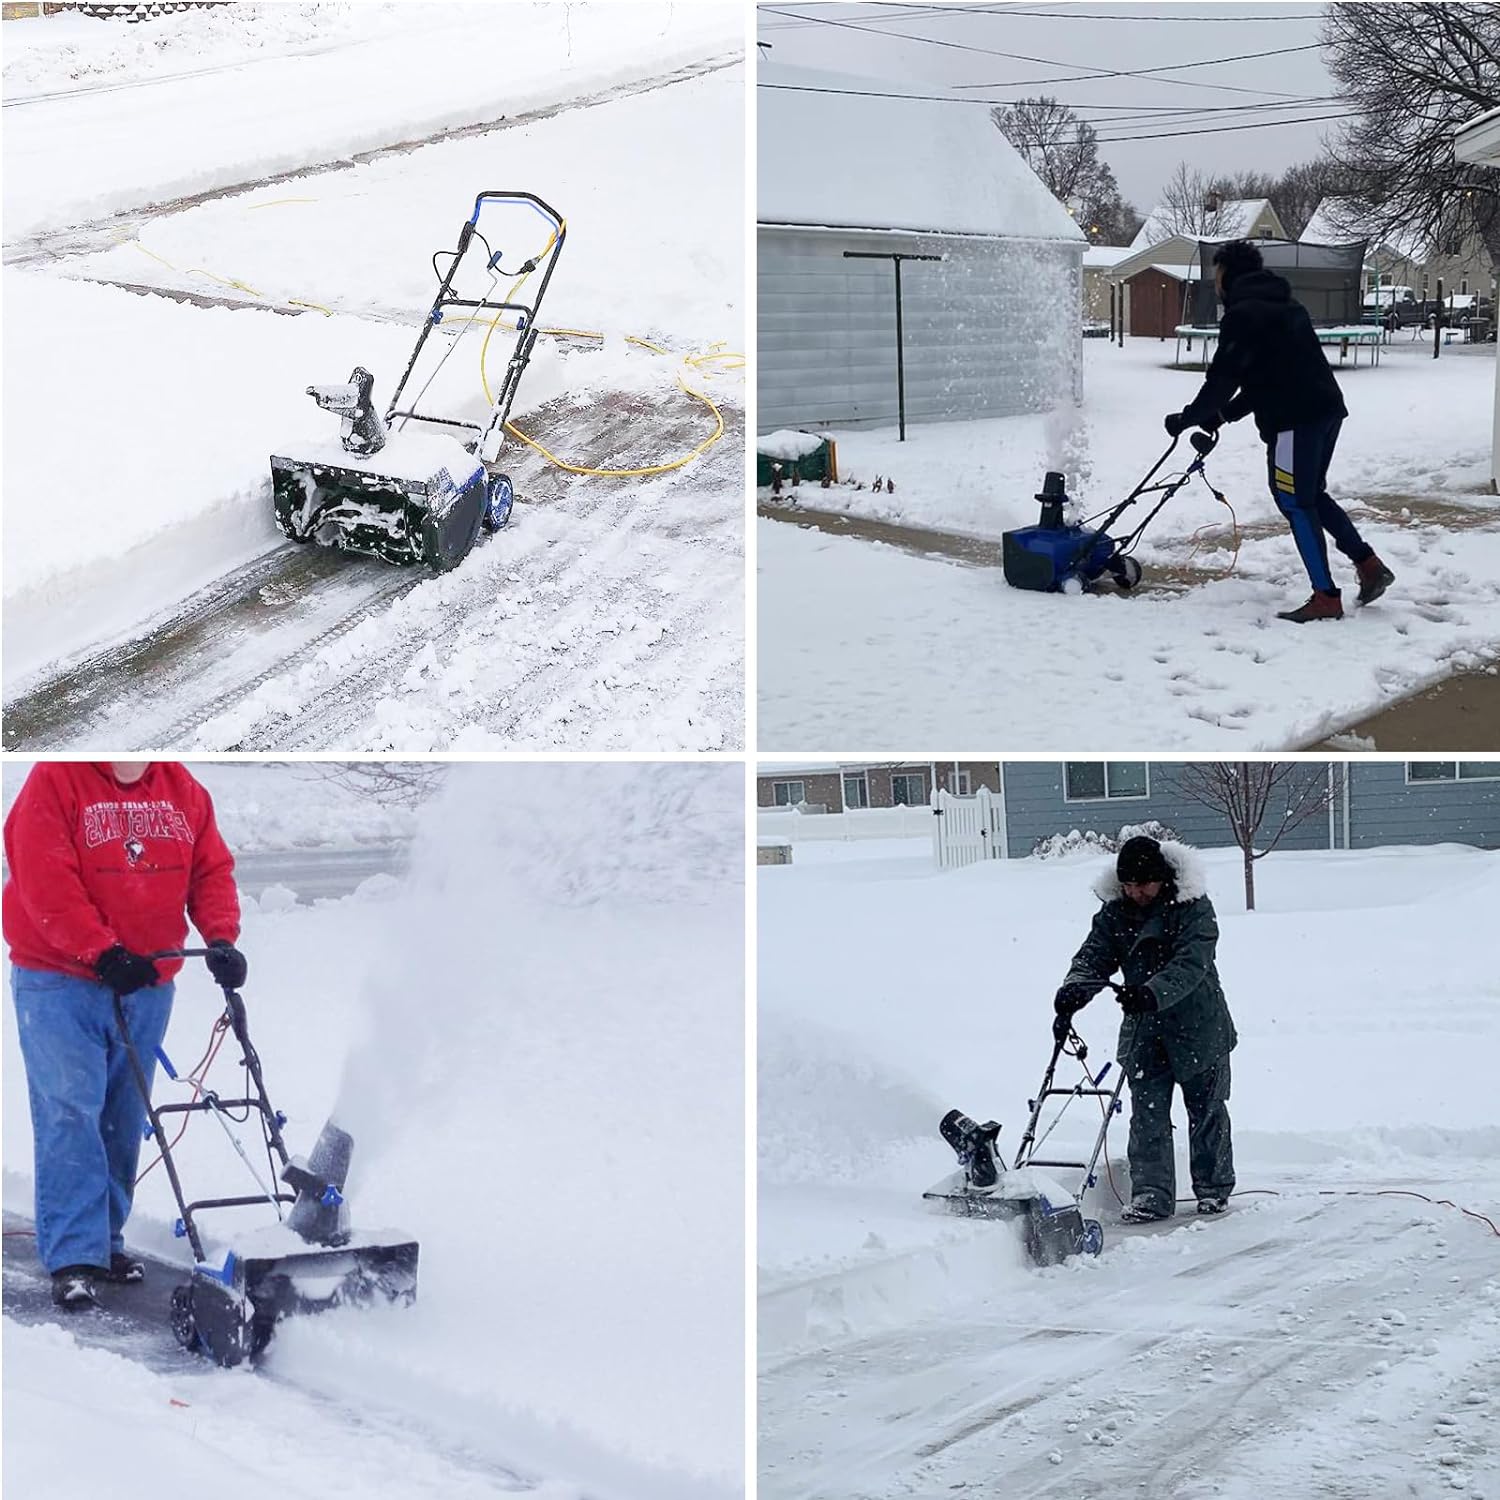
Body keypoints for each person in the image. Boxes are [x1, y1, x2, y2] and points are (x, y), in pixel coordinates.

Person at [3, 762, 246, 1311]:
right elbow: (44, 880)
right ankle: (73, 1256)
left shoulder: (182, 789)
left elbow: (211, 871)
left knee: (124, 1115)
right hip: (58, 979)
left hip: (147, 981)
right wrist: (100, 949)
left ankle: (104, 1243)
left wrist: (221, 938)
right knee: (70, 1111)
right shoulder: (55, 781)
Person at [1164, 238, 1395, 624]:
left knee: (1293, 500)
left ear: (1228, 275)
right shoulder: (1285, 305)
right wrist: (1222, 416)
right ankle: (1368, 565)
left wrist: (1187, 417)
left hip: (1294, 420)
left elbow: (1223, 380)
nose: (1215, 283)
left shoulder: (1243, 315)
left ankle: (1325, 597)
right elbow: (1267, 377)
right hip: (1325, 411)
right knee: (1310, 494)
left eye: (1216, 275)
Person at [1052, 834, 1237, 1223]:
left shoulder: (1193, 908)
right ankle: (1151, 1195)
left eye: (1143, 884)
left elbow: (1192, 963)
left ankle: (1213, 1189)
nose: (1135, 892)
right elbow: (1095, 954)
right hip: (1144, 1029)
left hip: (1198, 1026)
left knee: (1206, 1111)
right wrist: (1073, 991)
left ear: (1162, 879)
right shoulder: (1116, 913)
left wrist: (1152, 992)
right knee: (1147, 1114)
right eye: (1129, 885)